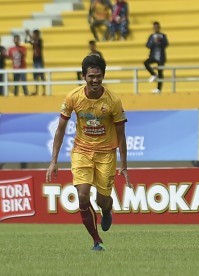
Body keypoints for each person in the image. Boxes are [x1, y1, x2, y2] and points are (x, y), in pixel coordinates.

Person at [46, 54, 130, 251]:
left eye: (98, 76)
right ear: (84, 76)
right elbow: (60, 129)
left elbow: (122, 134)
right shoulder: (73, 98)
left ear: (103, 76)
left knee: (102, 200)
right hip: (81, 151)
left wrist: (124, 164)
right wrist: (53, 161)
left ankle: (107, 210)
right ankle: (96, 241)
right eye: (91, 76)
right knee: (82, 196)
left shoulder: (113, 101)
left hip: (106, 154)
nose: (95, 80)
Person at [144, 21, 168, 94]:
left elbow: (166, 44)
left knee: (160, 72)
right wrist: (153, 41)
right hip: (153, 56)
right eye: (155, 27)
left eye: (157, 27)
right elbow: (147, 45)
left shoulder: (163, 36)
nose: (156, 28)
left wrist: (160, 41)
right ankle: (153, 74)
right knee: (146, 63)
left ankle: (159, 89)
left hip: (161, 57)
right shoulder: (151, 36)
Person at [25, 29, 46, 96]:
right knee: (36, 76)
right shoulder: (34, 41)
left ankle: (44, 91)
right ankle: (36, 91)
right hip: (35, 60)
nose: (33, 35)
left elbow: (34, 42)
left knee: (42, 76)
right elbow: (27, 41)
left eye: (34, 34)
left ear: (36, 34)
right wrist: (27, 35)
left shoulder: (40, 40)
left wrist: (28, 34)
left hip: (39, 60)